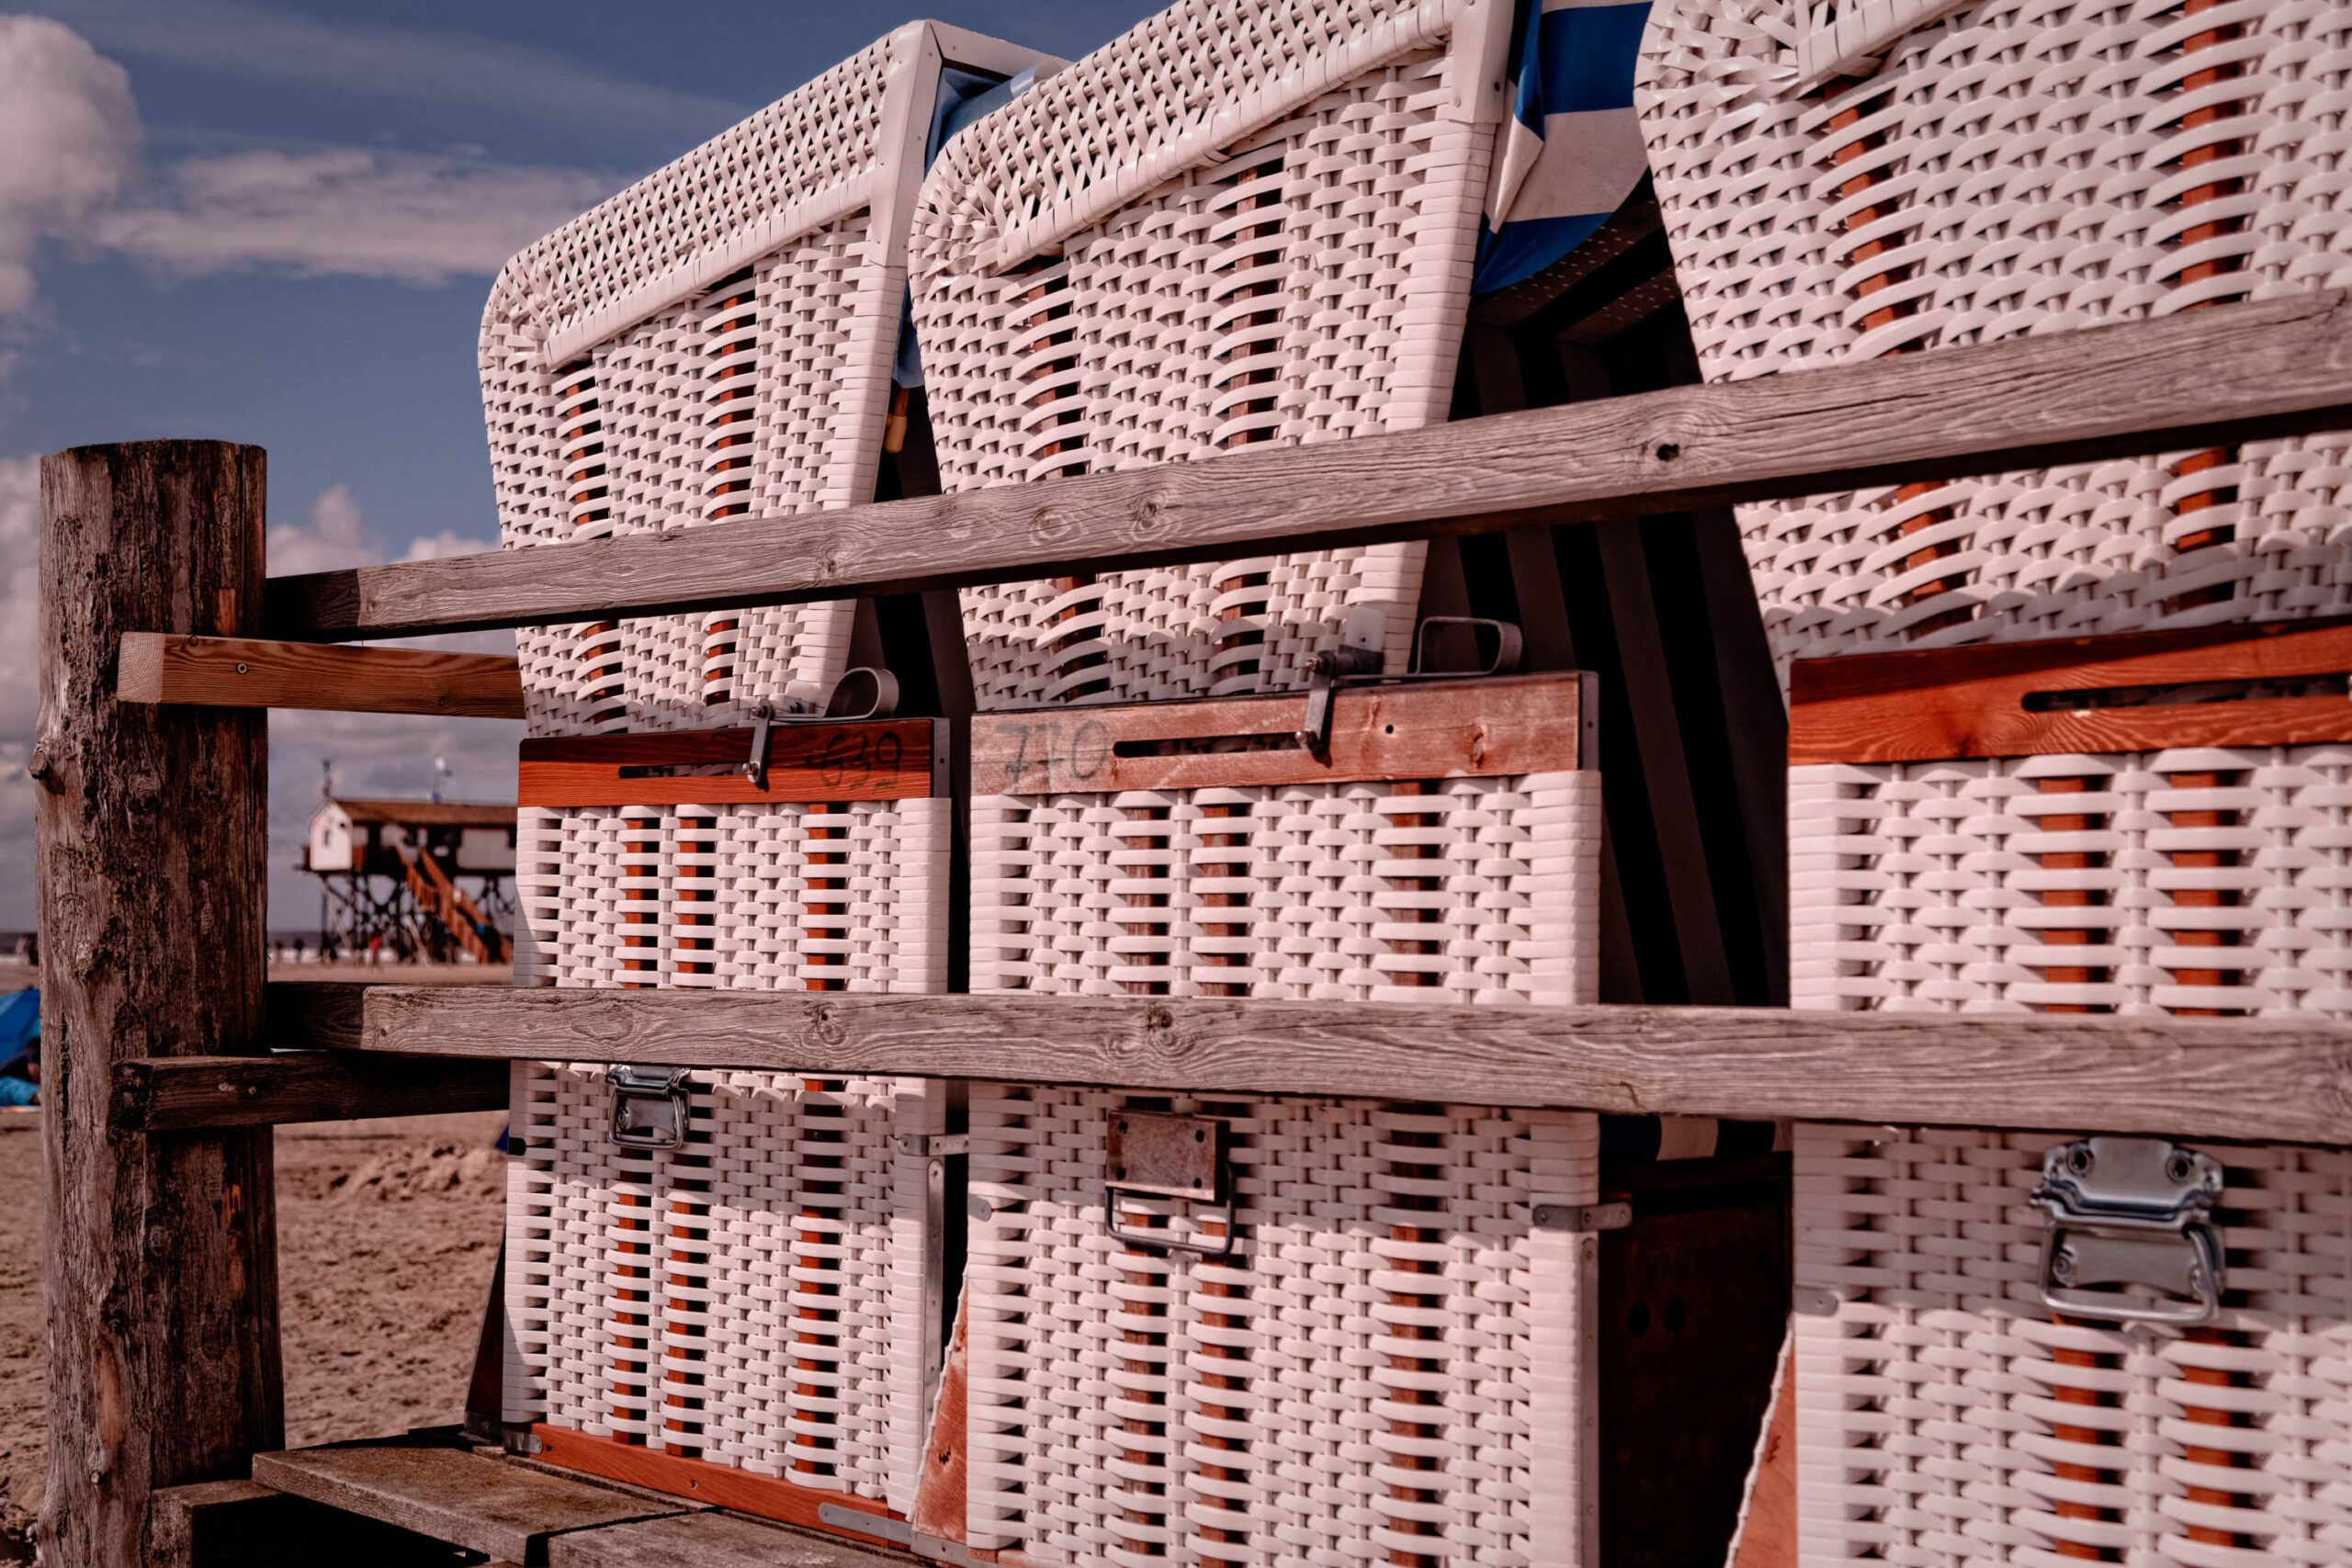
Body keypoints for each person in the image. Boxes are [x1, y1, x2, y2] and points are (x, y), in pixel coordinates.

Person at [0, 989, 37, 1107]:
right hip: (5, 1082)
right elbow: (34, 1071)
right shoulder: (31, 1054)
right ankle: (38, 1096)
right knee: (10, 1088)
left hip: (13, 1085)